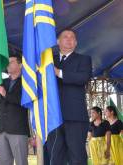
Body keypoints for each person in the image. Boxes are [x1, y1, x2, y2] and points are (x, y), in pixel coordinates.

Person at [46, 29, 92, 165]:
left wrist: (58, 72)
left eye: (72, 37)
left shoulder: (84, 59)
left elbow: (82, 78)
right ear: (57, 41)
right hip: (53, 117)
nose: (69, 39)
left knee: (76, 156)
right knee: (55, 157)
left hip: (75, 117)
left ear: (76, 43)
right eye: (65, 37)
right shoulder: (48, 61)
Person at [0, 55, 30, 165]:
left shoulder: (27, 81)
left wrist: (5, 94)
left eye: (11, 62)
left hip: (18, 129)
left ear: (20, 65)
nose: (8, 64)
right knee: (3, 162)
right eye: (7, 62)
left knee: (21, 162)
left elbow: (23, 101)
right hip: (2, 128)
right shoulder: (2, 82)